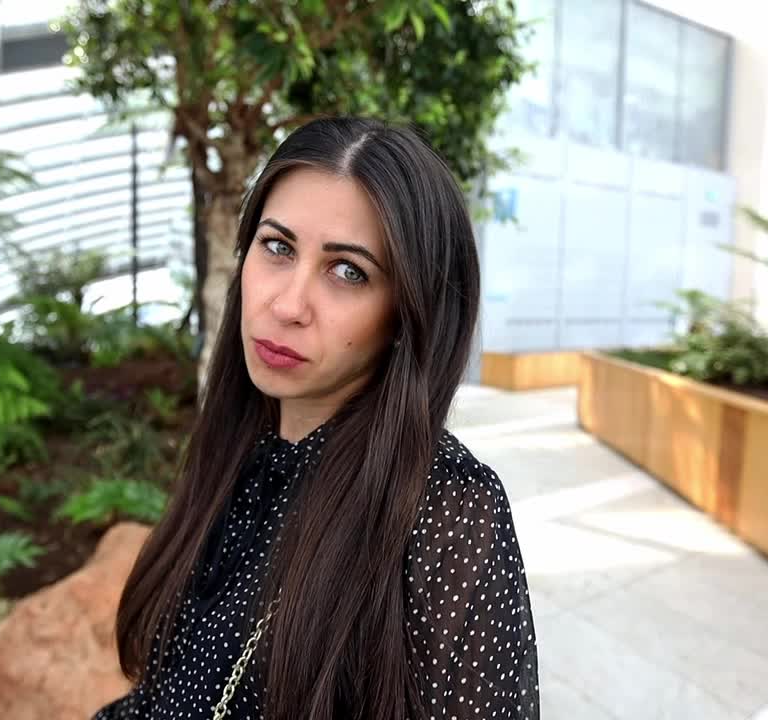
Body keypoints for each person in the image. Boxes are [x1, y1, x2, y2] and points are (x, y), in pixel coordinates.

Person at [91, 117, 539, 720]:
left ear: (408, 313)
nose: (288, 304)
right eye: (278, 247)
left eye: (347, 271)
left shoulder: (446, 511)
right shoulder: (240, 450)